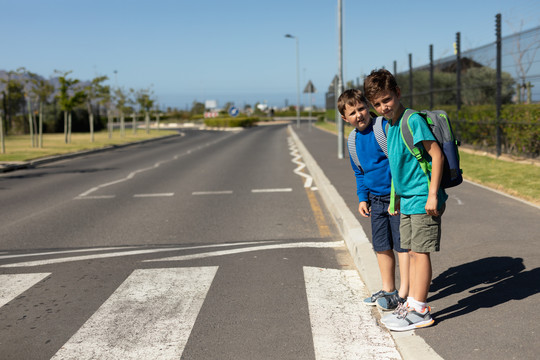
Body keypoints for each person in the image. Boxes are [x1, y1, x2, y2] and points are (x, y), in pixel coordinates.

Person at [363, 69, 447, 331]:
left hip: (423, 198)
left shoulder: (412, 121)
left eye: (386, 100)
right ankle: (410, 304)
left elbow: (437, 156)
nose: (383, 107)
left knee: (420, 253)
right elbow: (398, 166)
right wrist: (394, 200)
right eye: (376, 104)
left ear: (397, 93)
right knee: (410, 251)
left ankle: (420, 309)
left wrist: (433, 194)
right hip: (407, 200)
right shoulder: (389, 125)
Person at [337, 89, 409, 311]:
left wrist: (397, 197)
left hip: (395, 198)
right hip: (375, 200)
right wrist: (362, 198)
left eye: (361, 109)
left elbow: (397, 162)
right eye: (352, 112)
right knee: (381, 246)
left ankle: (405, 293)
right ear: (344, 118)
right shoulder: (352, 141)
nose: (359, 115)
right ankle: (389, 289)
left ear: (368, 107)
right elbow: (359, 172)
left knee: (402, 245)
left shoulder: (382, 128)